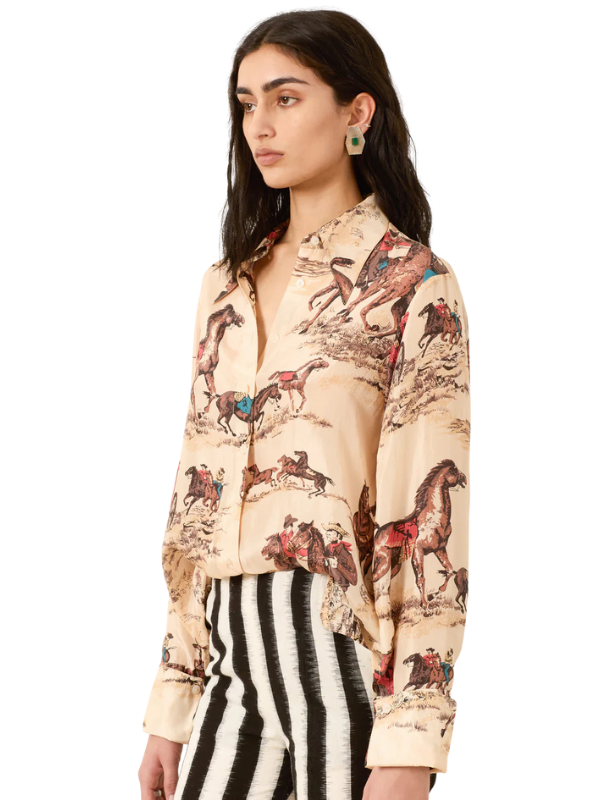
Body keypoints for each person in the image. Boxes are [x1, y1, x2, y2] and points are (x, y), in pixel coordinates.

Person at [138, 10, 471, 800]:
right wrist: (173, 699)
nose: (260, 125)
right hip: (230, 657)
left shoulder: (414, 284)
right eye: (247, 103)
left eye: (286, 98)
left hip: (342, 652)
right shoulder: (226, 284)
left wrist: (412, 739)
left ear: (357, 112)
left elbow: (430, 525)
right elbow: (195, 501)